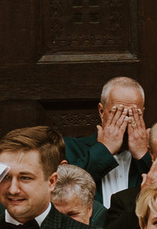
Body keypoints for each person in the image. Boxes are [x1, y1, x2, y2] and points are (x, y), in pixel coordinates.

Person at [63, 76, 151, 217]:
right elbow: (66, 191)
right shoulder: (70, 148)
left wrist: (142, 155)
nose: (126, 120)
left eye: (133, 114)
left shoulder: (153, 153)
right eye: (117, 113)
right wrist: (104, 150)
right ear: (101, 111)